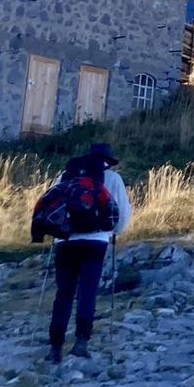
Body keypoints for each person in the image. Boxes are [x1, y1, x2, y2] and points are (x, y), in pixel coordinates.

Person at [44, 145, 131, 364]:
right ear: (107, 160)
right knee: (88, 291)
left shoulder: (66, 175)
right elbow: (122, 214)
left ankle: (55, 348)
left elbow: (51, 204)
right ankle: (81, 343)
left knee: (64, 293)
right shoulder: (113, 178)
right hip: (96, 241)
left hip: (65, 241)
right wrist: (114, 231)